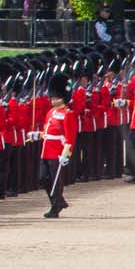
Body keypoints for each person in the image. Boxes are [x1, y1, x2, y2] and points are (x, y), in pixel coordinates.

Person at [38, 74, 75, 219]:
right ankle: (58, 200)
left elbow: (70, 137)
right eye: (52, 97)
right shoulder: (50, 112)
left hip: (57, 152)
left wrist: (66, 154)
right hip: (46, 150)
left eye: (56, 97)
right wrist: (38, 135)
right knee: (42, 178)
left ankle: (55, 207)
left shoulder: (68, 114)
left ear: (63, 97)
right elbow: (47, 131)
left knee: (55, 181)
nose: (52, 100)